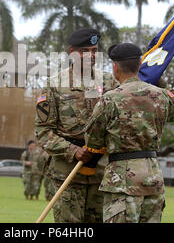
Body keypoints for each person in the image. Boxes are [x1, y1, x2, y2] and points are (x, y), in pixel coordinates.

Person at [83, 43, 174, 223]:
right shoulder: (160, 95)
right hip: (152, 178)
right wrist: (158, 78)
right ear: (139, 66)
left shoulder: (110, 98)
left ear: (115, 67)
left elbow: (92, 140)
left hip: (122, 179)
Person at [34, 28, 119, 223]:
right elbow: (43, 132)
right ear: (72, 52)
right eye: (85, 51)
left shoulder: (110, 83)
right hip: (67, 174)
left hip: (102, 175)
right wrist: (73, 150)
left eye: (95, 51)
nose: (91, 56)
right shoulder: (54, 85)